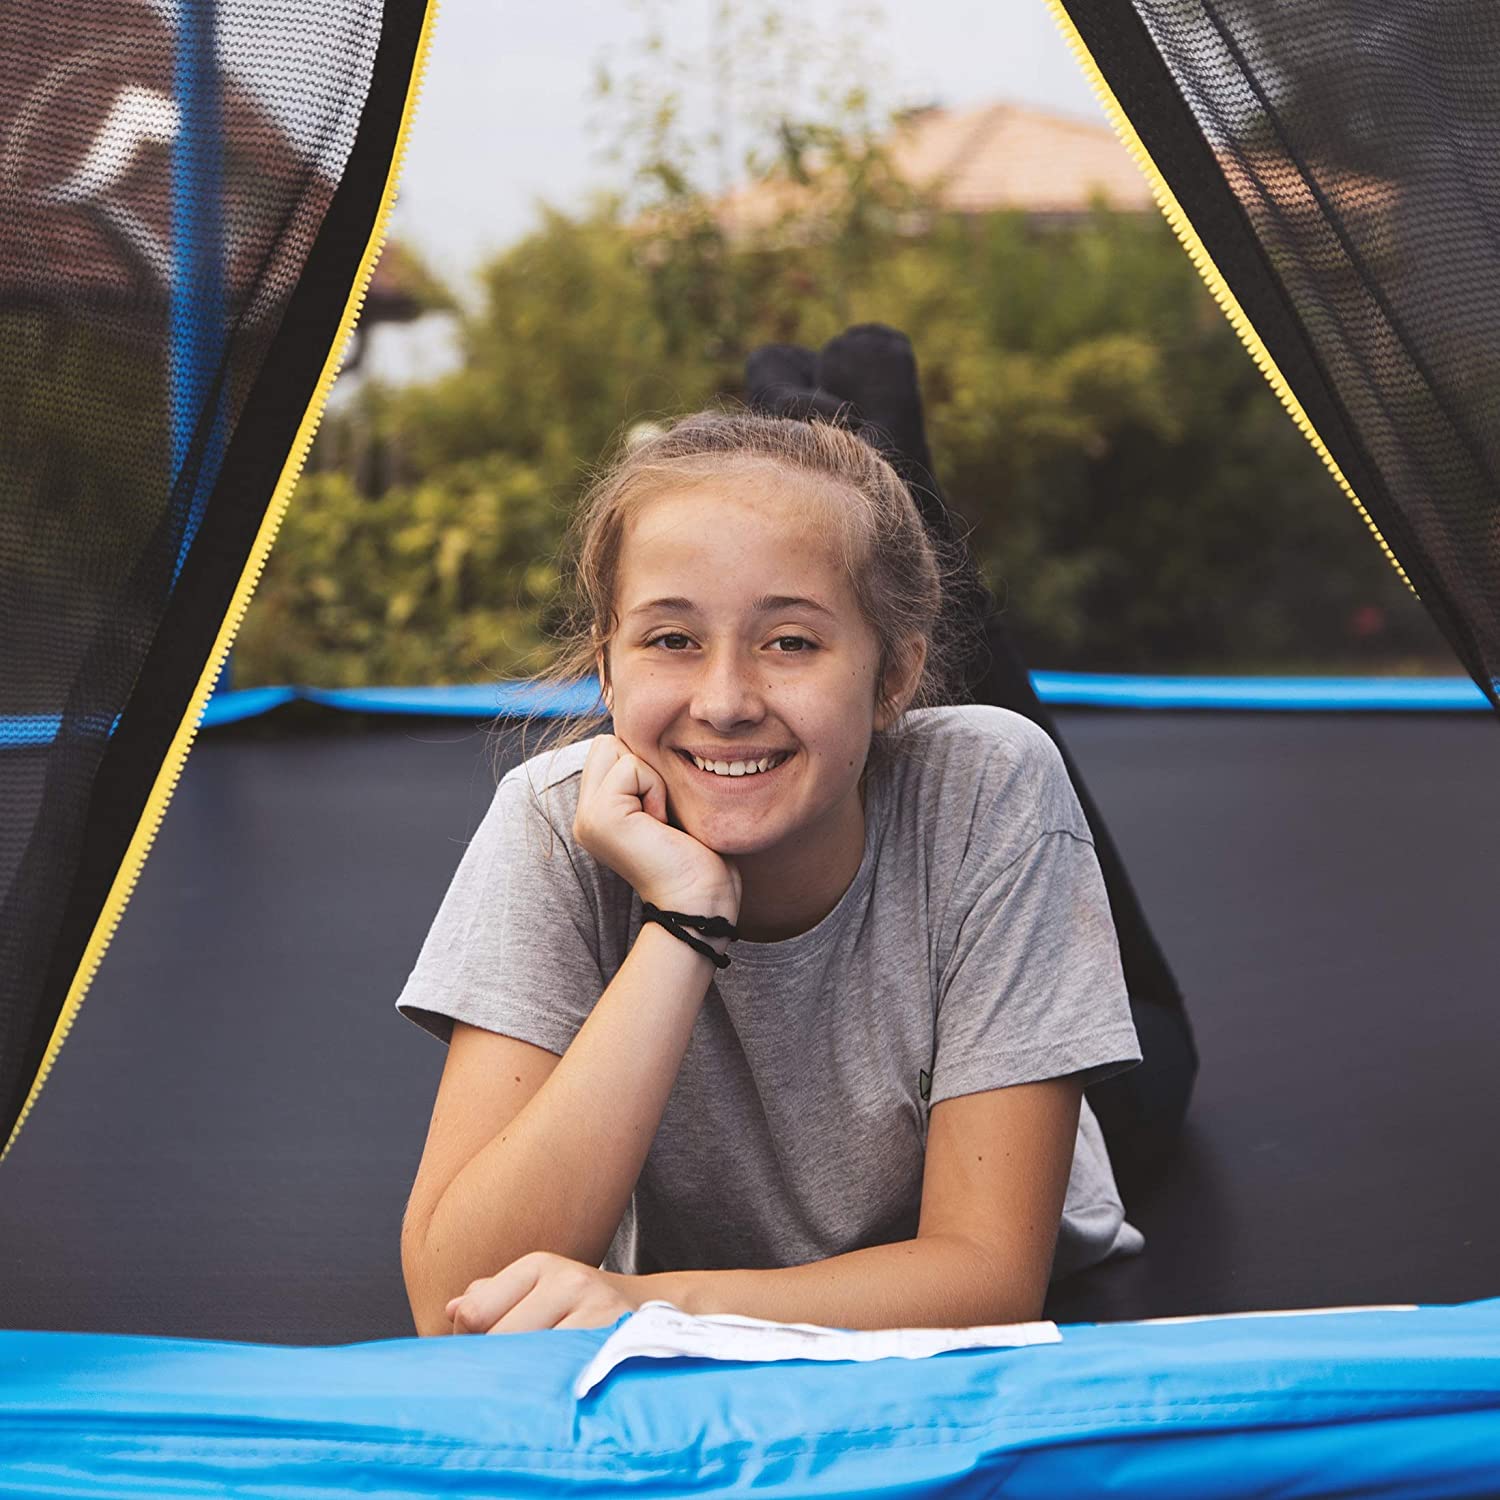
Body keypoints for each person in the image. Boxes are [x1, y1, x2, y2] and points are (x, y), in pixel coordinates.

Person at [396, 410, 1143, 1339]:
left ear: (893, 676)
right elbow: (454, 1300)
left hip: (1024, 1136)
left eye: (790, 642)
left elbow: (988, 1279)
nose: (725, 703)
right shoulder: (549, 824)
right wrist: (687, 920)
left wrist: (646, 1305)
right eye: (671, 640)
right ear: (606, 666)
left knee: (1159, 1069)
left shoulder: (986, 787)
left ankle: (879, 411)